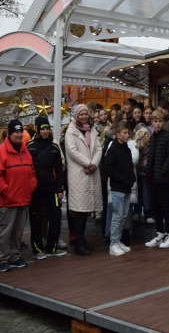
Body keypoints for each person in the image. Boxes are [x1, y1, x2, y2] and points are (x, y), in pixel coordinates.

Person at [0, 119, 37, 273]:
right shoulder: (1, 151)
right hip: (7, 200)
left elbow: (32, 171)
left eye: (20, 132)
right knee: (4, 231)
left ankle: (14, 256)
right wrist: (6, 191)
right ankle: (2, 259)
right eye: (15, 132)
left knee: (17, 230)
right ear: (9, 134)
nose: (18, 134)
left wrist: (31, 186)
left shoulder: (25, 150)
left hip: (23, 198)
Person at [64, 104, 102, 256]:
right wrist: (89, 163)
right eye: (81, 114)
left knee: (86, 209)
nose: (84, 117)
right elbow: (72, 151)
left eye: (86, 114)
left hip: (90, 172)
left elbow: (98, 148)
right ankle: (78, 242)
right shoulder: (71, 131)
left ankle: (82, 239)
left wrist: (94, 164)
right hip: (79, 174)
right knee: (79, 210)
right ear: (76, 115)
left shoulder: (91, 129)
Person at [27, 115, 66, 260]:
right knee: (36, 218)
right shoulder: (30, 147)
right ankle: (37, 249)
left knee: (55, 217)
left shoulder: (54, 147)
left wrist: (60, 190)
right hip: (35, 189)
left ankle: (52, 247)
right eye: (42, 129)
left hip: (51, 188)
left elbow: (60, 170)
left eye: (47, 129)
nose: (45, 131)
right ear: (38, 130)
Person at [144, 110, 169, 250]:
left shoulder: (167, 137)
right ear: (152, 123)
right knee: (156, 207)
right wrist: (147, 173)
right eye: (155, 121)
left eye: (160, 121)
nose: (157, 124)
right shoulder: (152, 137)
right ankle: (160, 233)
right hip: (153, 178)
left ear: (163, 122)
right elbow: (150, 158)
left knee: (165, 206)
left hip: (163, 178)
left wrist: (162, 170)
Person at [104, 125, 136, 256]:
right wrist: (121, 178)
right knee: (117, 216)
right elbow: (107, 168)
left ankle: (118, 240)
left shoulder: (126, 149)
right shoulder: (113, 149)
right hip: (118, 187)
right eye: (124, 133)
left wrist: (131, 178)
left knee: (123, 216)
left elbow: (129, 167)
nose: (127, 135)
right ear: (117, 135)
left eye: (128, 133)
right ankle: (113, 244)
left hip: (127, 187)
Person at [133, 108, 153, 223]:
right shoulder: (140, 128)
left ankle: (147, 212)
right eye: (146, 113)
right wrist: (144, 143)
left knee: (146, 188)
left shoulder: (154, 127)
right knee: (141, 188)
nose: (148, 115)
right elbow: (135, 145)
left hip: (150, 162)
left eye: (150, 113)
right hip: (141, 162)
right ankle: (143, 211)